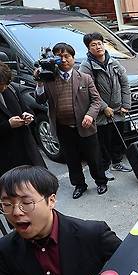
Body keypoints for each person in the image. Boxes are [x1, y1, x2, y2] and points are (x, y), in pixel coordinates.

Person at [0, 165, 121, 275]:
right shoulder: (6, 251)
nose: (16, 212)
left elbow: (132, 270)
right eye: (7, 205)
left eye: (26, 203)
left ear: (51, 200)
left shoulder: (94, 234)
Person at [34, 42, 107, 199]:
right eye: (60, 57)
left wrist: (90, 115)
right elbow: (40, 100)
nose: (64, 60)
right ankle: (79, 185)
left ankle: (101, 181)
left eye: (67, 56)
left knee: (94, 157)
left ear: (73, 58)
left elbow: (96, 101)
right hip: (63, 128)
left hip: (85, 126)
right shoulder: (49, 79)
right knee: (72, 159)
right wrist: (39, 82)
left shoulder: (85, 78)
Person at [79, 32, 132, 179]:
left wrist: (126, 104)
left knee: (118, 138)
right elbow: (89, 90)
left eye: (99, 43)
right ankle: (105, 167)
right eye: (93, 45)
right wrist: (103, 107)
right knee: (102, 141)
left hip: (118, 109)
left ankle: (117, 162)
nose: (98, 47)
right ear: (88, 48)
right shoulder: (86, 66)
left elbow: (125, 83)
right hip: (100, 113)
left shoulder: (113, 62)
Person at [0, 62, 45, 177]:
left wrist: (29, 117)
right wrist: (8, 125)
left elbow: (26, 109)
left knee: (40, 184)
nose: (4, 87)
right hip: (6, 157)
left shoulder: (12, 88)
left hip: (27, 148)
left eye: (5, 84)